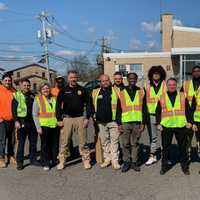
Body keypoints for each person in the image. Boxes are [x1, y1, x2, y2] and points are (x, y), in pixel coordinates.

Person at [56, 70, 92, 170]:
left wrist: (87, 117)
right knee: (65, 142)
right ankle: (62, 161)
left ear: (77, 78)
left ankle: (86, 160)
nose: (73, 79)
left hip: (80, 118)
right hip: (67, 119)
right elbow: (58, 105)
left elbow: (89, 104)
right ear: (68, 79)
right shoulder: (63, 90)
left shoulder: (83, 90)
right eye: (71, 77)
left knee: (83, 141)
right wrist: (59, 118)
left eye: (74, 77)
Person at [156, 78, 192, 175]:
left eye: (173, 85)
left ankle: (184, 166)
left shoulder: (182, 96)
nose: (172, 86)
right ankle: (164, 166)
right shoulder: (162, 97)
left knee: (182, 147)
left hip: (181, 125)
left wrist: (189, 122)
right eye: (170, 85)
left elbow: (188, 110)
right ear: (167, 86)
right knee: (166, 147)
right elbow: (158, 112)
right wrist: (158, 123)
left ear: (176, 86)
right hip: (166, 126)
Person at [116, 72, 146, 173]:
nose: (132, 80)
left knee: (135, 143)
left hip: (137, 122)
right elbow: (118, 109)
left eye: (134, 78)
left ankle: (134, 162)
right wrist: (119, 123)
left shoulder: (141, 91)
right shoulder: (121, 92)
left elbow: (144, 108)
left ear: (136, 79)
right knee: (125, 143)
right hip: (125, 122)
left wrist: (143, 123)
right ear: (127, 80)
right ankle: (126, 161)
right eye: (130, 78)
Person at [92, 74, 120, 169]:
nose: (105, 82)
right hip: (101, 122)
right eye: (103, 81)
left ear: (109, 81)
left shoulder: (116, 91)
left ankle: (115, 160)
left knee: (114, 142)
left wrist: (119, 121)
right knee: (104, 142)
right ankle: (107, 159)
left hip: (113, 121)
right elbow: (91, 105)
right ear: (100, 82)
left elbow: (120, 106)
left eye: (106, 80)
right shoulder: (95, 92)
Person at [12, 79, 39, 170]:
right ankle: (20, 162)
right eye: (25, 85)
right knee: (21, 144)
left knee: (33, 143)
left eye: (28, 85)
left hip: (32, 123)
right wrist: (16, 121)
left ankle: (33, 159)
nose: (27, 87)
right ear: (21, 86)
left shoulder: (33, 95)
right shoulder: (16, 95)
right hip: (22, 123)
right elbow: (14, 110)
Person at [33, 83, 59, 171]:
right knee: (45, 145)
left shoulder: (54, 98)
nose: (46, 90)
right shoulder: (38, 99)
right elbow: (34, 114)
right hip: (44, 125)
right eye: (43, 89)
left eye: (47, 88)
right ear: (41, 90)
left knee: (55, 144)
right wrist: (38, 127)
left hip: (54, 125)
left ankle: (54, 160)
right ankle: (46, 163)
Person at [145, 66, 166, 166]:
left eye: (158, 73)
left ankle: (165, 156)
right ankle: (152, 156)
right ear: (151, 75)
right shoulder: (147, 86)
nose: (156, 74)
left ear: (161, 74)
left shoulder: (166, 85)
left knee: (164, 137)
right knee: (153, 137)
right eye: (154, 73)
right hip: (151, 115)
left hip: (164, 115)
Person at [182, 65, 200, 158]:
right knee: (188, 139)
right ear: (192, 73)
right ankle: (187, 157)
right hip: (188, 116)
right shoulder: (186, 84)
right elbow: (180, 99)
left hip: (199, 117)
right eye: (195, 71)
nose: (196, 73)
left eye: (198, 71)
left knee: (199, 140)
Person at [0, 73, 16, 168]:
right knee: (2, 140)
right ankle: (1, 158)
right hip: (2, 120)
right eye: (5, 80)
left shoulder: (14, 91)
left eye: (9, 80)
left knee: (12, 140)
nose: (7, 82)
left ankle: (10, 156)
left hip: (12, 120)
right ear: (2, 81)